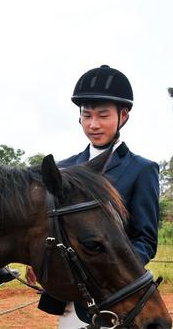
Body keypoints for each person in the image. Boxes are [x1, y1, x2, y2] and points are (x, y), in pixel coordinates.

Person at [25, 65, 160, 327]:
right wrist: (38, 259)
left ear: (124, 116)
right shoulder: (64, 168)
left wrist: (109, 272)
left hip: (114, 297)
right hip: (69, 299)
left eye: (103, 115)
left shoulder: (142, 170)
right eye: (87, 116)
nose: (93, 124)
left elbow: (145, 239)